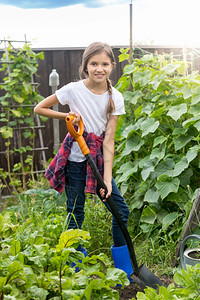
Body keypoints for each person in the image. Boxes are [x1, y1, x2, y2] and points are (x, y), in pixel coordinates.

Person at [34, 42, 133, 281]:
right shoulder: (73, 90)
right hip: (75, 160)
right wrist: (68, 115)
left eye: (105, 64)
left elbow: (109, 140)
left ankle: (124, 269)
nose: (99, 69)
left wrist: (107, 180)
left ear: (112, 66)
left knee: (121, 210)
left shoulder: (115, 97)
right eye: (94, 64)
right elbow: (40, 108)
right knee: (75, 213)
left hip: (97, 160)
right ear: (86, 66)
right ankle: (74, 268)